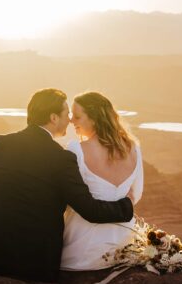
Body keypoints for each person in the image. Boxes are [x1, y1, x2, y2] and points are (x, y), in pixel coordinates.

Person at [0, 88, 134, 282]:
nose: (69, 120)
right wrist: (126, 206)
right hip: (37, 264)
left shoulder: (0, 144)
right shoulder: (61, 158)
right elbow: (90, 210)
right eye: (65, 114)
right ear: (53, 118)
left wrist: (10, 212)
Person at [60, 91, 143, 270]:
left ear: (95, 119)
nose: (72, 121)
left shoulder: (76, 149)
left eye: (77, 116)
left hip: (81, 249)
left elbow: (69, 198)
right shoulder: (133, 148)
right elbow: (136, 194)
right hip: (122, 244)